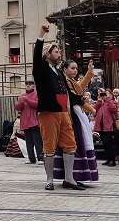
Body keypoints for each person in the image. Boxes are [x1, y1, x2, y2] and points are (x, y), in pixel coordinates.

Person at [32, 23, 84, 191]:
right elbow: (36, 57)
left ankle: (69, 178)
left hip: (63, 112)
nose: (59, 54)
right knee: (49, 146)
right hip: (49, 112)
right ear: (47, 54)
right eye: (56, 52)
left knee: (70, 145)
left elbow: (67, 91)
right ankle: (49, 179)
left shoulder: (59, 71)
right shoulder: (41, 69)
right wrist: (41, 34)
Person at [54, 59, 99, 184]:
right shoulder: (65, 81)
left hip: (78, 113)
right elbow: (75, 99)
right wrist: (92, 109)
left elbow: (80, 88)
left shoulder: (71, 81)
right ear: (65, 69)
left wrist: (89, 73)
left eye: (76, 68)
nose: (75, 71)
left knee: (82, 142)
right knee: (76, 143)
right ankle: (73, 176)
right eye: (72, 68)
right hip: (72, 114)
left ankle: (76, 176)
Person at [15, 80, 43, 163]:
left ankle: (40, 158)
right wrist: (21, 102)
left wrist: (27, 100)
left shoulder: (37, 94)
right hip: (25, 121)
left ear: (33, 86)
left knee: (37, 140)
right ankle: (31, 158)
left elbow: (38, 104)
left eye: (30, 85)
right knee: (28, 141)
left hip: (34, 121)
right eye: (26, 84)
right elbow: (17, 108)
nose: (28, 86)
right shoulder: (22, 96)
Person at [95, 88, 119, 166]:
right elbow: (94, 109)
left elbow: (113, 109)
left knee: (109, 143)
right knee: (104, 143)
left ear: (111, 95)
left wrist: (108, 99)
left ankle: (112, 159)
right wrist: (99, 100)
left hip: (109, 126)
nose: (105, 95)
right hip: (101, 126)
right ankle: (108, 158)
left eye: (107, 94)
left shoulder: (113, 102)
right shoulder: (101, 103)